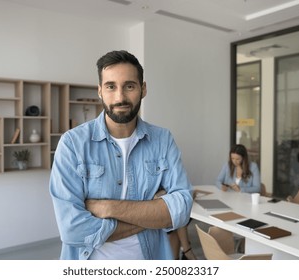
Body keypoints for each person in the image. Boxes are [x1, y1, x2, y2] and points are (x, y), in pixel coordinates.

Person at [49, 50, 193, 260]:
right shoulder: (72, 144)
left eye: (129, 86)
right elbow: (72, 229)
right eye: (110, 86)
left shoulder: (163, 140)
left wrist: (108, 207)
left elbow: (181, 209)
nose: (120, 97)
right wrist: (152, 214)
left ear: (143, 89)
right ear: (100, 91)